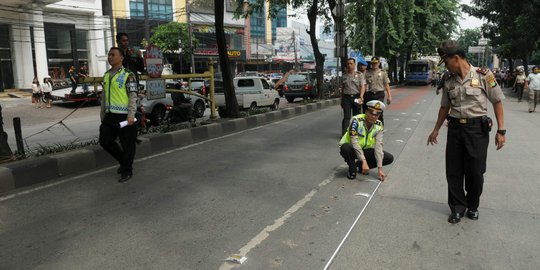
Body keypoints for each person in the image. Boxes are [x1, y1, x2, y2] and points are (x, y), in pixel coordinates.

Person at [427, 40, 506, 224]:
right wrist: (436, 130)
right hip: (455, 128)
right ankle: (457, 207)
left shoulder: (484, 76)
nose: (446, 67)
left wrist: (501, 131)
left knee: (476, 172)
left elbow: (497, 101)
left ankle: (472, 206)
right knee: (454, 171)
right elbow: (444, 107)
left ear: (455, 58)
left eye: (446, 62)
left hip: (477, 130)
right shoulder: (448, 79)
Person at [99, 47, 138, 182]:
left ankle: (127, 170)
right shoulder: (106, 75)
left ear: (121, 57)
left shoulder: (128, 74)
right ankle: (124, 161)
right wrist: (102, 114)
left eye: (113, 55)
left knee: (128, 144)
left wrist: (131, 115)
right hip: (110, 116)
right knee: (104, 140)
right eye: (109, 55)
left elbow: (133, 95)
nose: (110, 57)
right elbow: (104, 97)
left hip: (125, 115)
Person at [339, 100, 394, 181]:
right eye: (371, 113)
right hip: (353, 149)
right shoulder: (356, 121)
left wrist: (380, 168)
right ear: (366, 111)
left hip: (365, 150)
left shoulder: (379, 125)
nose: (373, 116)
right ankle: (353, 168)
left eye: (377, 114)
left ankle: (360, 166)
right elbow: (354, 142)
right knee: (345, 147)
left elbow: (378, 146)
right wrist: (364, 161)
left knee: (388, 158)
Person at [340, 58, 366, 135]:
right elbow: (343, 88)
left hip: (356, 97)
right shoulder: (344, 75)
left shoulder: (359, 75)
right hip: (346, 97)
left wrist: (361, 97)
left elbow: (362, 86)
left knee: (357, 116)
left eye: (351, 63)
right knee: (347, 116)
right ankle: (344, 133)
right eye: (348, 64)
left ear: (354, 65)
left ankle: (357, 132)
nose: (349, 65)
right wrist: (342, 99)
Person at [363, 57, 392, 124]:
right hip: (370, 94)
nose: (374, 64)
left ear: (379, 63)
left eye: (376, 63)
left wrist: (389, 96)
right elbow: (364, 85)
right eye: (373, 63)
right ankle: (369, 127)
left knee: (379, 112)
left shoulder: (383, 73)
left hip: (379, 94)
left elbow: (386, 84)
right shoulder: (367, 73)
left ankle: (380, 128)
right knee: (370, 112)